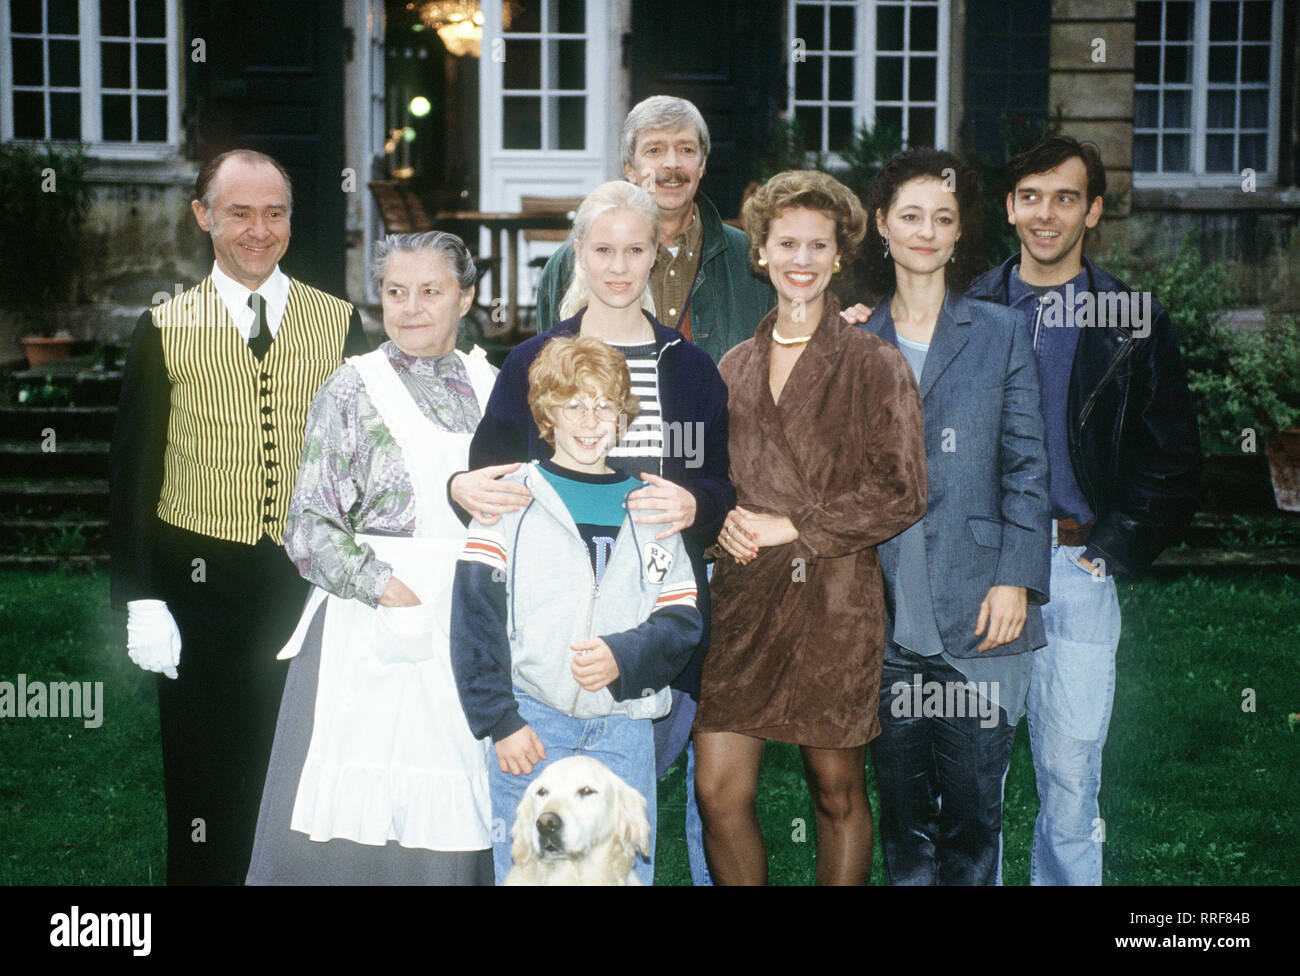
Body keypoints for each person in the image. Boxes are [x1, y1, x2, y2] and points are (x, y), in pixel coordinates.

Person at [109, 149, 369, 884]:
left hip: (303, 580)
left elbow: (366, 458)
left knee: (298, 763)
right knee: (202, 767)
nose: (259, 230)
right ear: (204, 218)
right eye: (239, 213)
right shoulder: (164, 326)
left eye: (275, 212)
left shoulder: (338, 323)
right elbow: (132, 471)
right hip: (198, 582)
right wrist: (141, 596)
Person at [966, 135, 1201, 885]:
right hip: (981, 569)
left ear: (1093, 211)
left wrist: (1114, 548)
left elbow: (1173, 455)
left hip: (1077, 568)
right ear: (1009, 208)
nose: (1046, 214)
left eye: (1066, 198)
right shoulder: (966, 307)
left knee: (1072, 774)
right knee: (975, 773)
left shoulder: (1131, 318)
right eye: (1030, 196)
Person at [692, 170, 928, 886]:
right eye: (786, 243)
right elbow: (708, 484)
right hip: (744, 605)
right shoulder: (731, 366)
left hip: (834, 603)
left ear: (838, 255)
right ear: (760, 252)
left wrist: (791, 525)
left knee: (836, 791)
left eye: (816, 245)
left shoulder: (873, 362)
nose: (801, 259)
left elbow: (903, 491)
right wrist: (720, 525)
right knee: (718, 791)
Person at [245, 232, 496, 885]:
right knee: (354, 825)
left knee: (452, 806)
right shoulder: (353, 389)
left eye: (430, 291)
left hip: (470, 624)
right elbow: (306, 523)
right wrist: (385, 587)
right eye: (394, 292)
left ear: (465, 296)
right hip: (373, 625)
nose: (411, 308)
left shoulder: (494, 385)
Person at [861, 148, 1050, 885]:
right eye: (911, 215)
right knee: (906, 828)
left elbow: (1029, 469)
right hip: (885, 622)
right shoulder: (853, 342)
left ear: (959, 230)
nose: (926, 231)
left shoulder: (999, 332)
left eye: (943, 218)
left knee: (972, 826)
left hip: (981, 615)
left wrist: (1017, 579)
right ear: (882, 225)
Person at [450, 336, 704, 885]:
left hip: (624, 727)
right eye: (573, 405)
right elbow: (475, 621)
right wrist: (500, 720)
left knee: (623, 873)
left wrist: (623, 655)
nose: (590, 420)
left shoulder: (650, 505)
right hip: (531, 724)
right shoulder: (510, 500)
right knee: (529, 874)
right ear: (547, 415)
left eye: (604, 405)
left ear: (621, 418)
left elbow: (682, 614)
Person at [535, 95, 774, 361]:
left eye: (686, 150)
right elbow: (549, 380)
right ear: (630, 169)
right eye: (654, 151)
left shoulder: (750, 262)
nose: (672, 164)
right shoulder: (567, 265)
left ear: (702, 164)